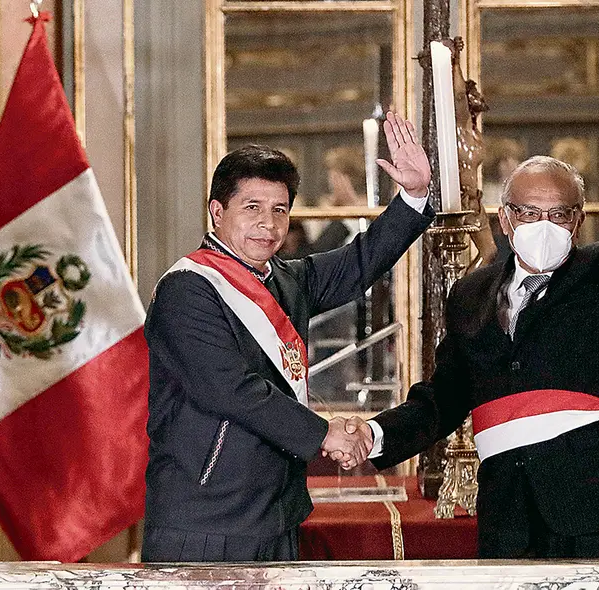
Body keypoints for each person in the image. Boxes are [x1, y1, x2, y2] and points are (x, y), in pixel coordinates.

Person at [351, 84, 599, 559]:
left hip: (583, 513)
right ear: (504, 219)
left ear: (579, 221)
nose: (543, 224)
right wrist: (375, 435)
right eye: (528, 212)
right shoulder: (470, 295)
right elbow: (444, 398)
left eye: (559, 214)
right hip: (505, 515)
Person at [142, 112, 430, 562]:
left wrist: (413, 196)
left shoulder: (286, 279)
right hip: (206, 518)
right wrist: (325, 434)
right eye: (251, 207)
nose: (269, 223)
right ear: (217, 212)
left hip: (278, 512)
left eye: (280, 210)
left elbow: (359, 263)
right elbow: (232, 389)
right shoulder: (187, 288)